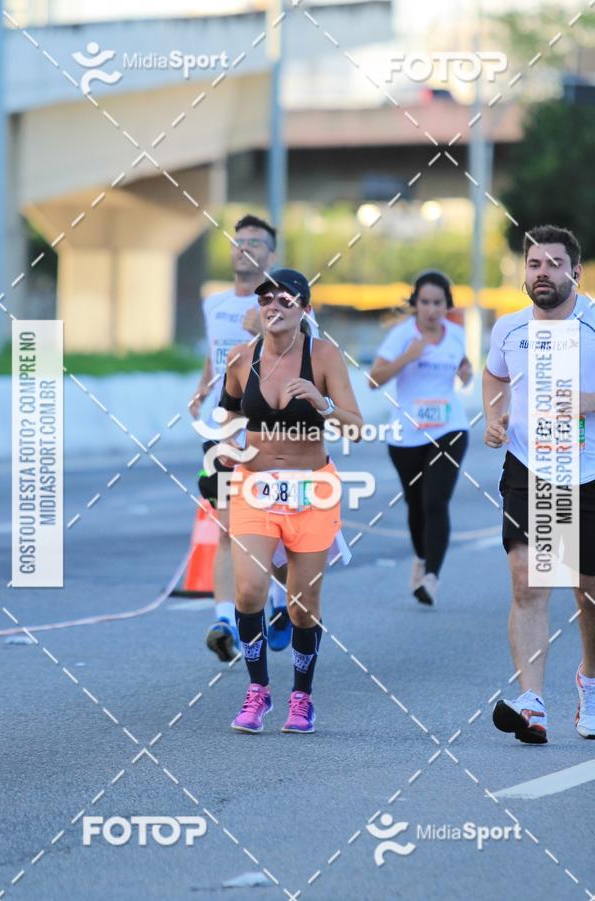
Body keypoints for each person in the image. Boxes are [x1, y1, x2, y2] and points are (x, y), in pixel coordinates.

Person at [217, 268, 363, 733]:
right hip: (255, 487)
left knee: (302, 606)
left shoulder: (324, 356)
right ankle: (257, 691)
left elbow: (357, 427)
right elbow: (228, 415)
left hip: (311, 491)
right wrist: (224, 453)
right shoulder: (241, 358)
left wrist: (322, 403)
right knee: (248, 592)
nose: (274, 306)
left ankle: (302, 698)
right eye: (266, 299)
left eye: (285, 299)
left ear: (305, 309)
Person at [484, 224, 595, 744]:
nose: (543, 272)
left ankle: (590, 681)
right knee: (526, 580)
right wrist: (495, 416)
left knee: (587, 592)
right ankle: (532, 702)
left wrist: (588, 402)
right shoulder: (509, 329)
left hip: (588, 470)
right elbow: (495, 375)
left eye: (554, 263)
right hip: (530, 466)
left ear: (576, 271)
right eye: (534, 264)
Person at [189, 214, 291, 660]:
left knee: (276, 531)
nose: (245, 247)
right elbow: (216, 356)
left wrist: (266, 330)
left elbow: (306, 357)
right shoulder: (214, 303)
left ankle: (283, 605)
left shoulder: (282, 303)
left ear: (271, 254)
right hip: (223, 431)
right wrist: (202, 388)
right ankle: (226, 622)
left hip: (270, 433)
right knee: (228, 528)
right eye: (239, 240)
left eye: (256, 242)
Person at [369, 270, 472, 606]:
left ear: (447, 305)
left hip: (449, 428)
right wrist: (407, 358)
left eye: (438, 303)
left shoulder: (456, 334)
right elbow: (373, 380)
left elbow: (464, 366)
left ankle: (431, 578)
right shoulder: (402, 335)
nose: (431, 309)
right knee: (415, 504)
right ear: (415, 303)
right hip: (407, 434)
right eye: (425, 302)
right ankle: (421, 558)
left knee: (435, 501)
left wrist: (466, 372)